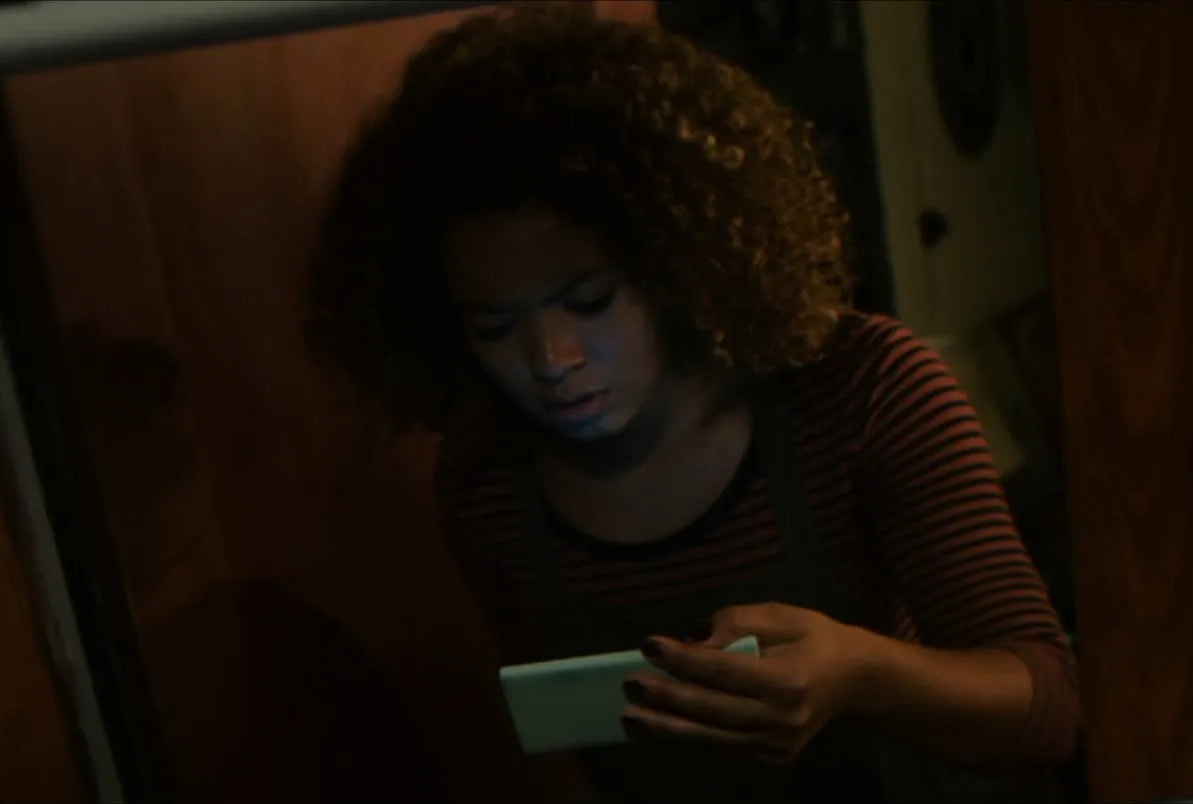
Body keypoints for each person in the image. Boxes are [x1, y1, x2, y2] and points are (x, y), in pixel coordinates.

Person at [304, 5, 1079, 802]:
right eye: (495, 328)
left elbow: (1047, 705)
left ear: (675, 265)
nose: (551, 361)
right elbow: (562, 744)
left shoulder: (862, 389)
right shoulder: (488, 483)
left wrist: (861, 673)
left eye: (591, 302)